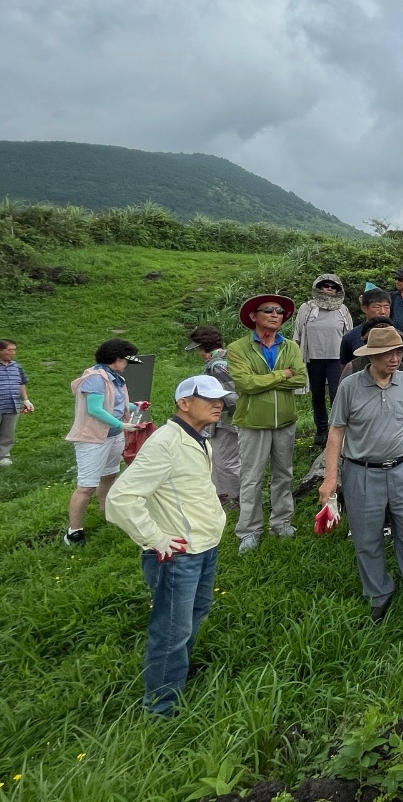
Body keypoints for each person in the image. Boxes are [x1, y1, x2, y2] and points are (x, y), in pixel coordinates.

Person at [104, 374, 232, 716]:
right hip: (178, 555)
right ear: (184, 403)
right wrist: (155, 539)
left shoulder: (199, 437)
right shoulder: (165, 443)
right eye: (208, 399)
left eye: (220, 398)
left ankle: (174, 677)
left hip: (203, 547)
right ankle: (161, 707)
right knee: (172, 629)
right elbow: (120, 499)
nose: (218, 404)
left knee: (194, 614)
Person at [319, 327, 403, 623]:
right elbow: (336, 431)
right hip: (362, 473)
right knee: (367, 537)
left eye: (399, 352)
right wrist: (330, 478)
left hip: (402, 469)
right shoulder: (349, 386)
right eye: (388, 353)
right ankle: (378, 594)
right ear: (372, 356)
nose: (396, 358)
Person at [226, 294, 307, 555]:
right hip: (252, 422)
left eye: (280, 311)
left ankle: (281, 522)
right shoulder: (237, 348)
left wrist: (265, 379)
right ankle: (249, 531)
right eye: (269, 310)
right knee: (251, 478)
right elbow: (245, 384)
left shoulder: (291, 346)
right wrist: (282, 374)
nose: (275, 315)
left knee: (284, 474)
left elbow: (300, 379)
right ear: (253, 316)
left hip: (285, 421)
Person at [64, 338, 143, 546]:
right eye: (126, 360)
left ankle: (106, 512)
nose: (127, 364)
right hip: (93, 439)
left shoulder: (115, 377)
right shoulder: (95, 378)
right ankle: (74, 531)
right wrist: (122, 424)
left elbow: (116, 404)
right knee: (86, 487)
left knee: (109, 476)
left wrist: (135, 406)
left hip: (113, 435)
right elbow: (95, 409)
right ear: (116, 359)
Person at [294, 274, 354, 449]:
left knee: (337, 395)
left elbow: (349, 335)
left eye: (333, 286)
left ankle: (338, 430)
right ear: (318, 287)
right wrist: (296, 358)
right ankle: (321, 429)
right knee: (317, 396)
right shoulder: (307, 308)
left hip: (337, 359)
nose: (329, 289)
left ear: (338, 290)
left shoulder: (343, 309)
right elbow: (297, 334)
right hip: (313, 358)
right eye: (325, 285)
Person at [185, 326, 241, 505]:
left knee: (227, 461)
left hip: (227, 421)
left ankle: (240, 498)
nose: (198, 353)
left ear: (202, 347)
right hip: (219, 420)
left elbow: (232, 395)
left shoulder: (218, 366)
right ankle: (222, 495)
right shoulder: (226, 358)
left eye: (198, 348)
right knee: (216, 458)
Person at [0, 339, 34, 467]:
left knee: (7, 433)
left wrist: (25, 400)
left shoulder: (16, 366)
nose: (13, 353)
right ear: (1, 350)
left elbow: (21, 383)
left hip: (12, 405)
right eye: (10, 350)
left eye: (14, 350)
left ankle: (3, 457)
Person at [340, 288, 392, 367]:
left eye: (386, 307)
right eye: (377, 307)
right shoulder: (351, 337)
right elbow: (345, 367)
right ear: (364, 308)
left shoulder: (397, 335)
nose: (383, 312)